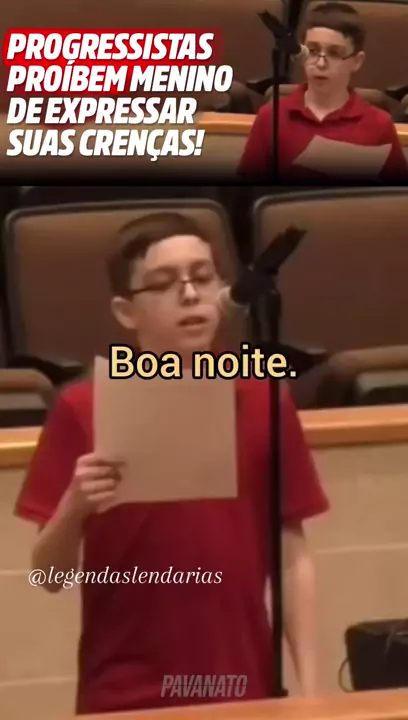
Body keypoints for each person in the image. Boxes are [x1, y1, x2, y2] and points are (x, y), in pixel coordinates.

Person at [14, 212, 329, 715]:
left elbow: (292, 556)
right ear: (125, 311)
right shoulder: (82, 409)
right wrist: (73, 507)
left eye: (203, 277)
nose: (190, 294)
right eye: (163, 283)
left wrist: (312, 694)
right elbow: (47, 577)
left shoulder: (266, 399)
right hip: (123, 694)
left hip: (242, 687)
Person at [238, 2, 408, 182]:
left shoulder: (379, 125)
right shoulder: (271, 117)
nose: (320, 63)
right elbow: (246, 191)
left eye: (334, 53)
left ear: (356, 61)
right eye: (312, 51)